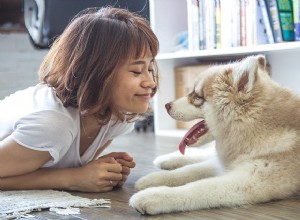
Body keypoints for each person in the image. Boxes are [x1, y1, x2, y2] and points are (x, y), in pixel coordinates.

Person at [0, 6, 159, 193]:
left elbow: (62, 165)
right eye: (136, 71)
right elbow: (70, 174)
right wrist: (73, 178)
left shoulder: (117, 116)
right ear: (96, 73)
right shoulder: (53, 124)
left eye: (150, 69)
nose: (150, 82)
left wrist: (101, 171)